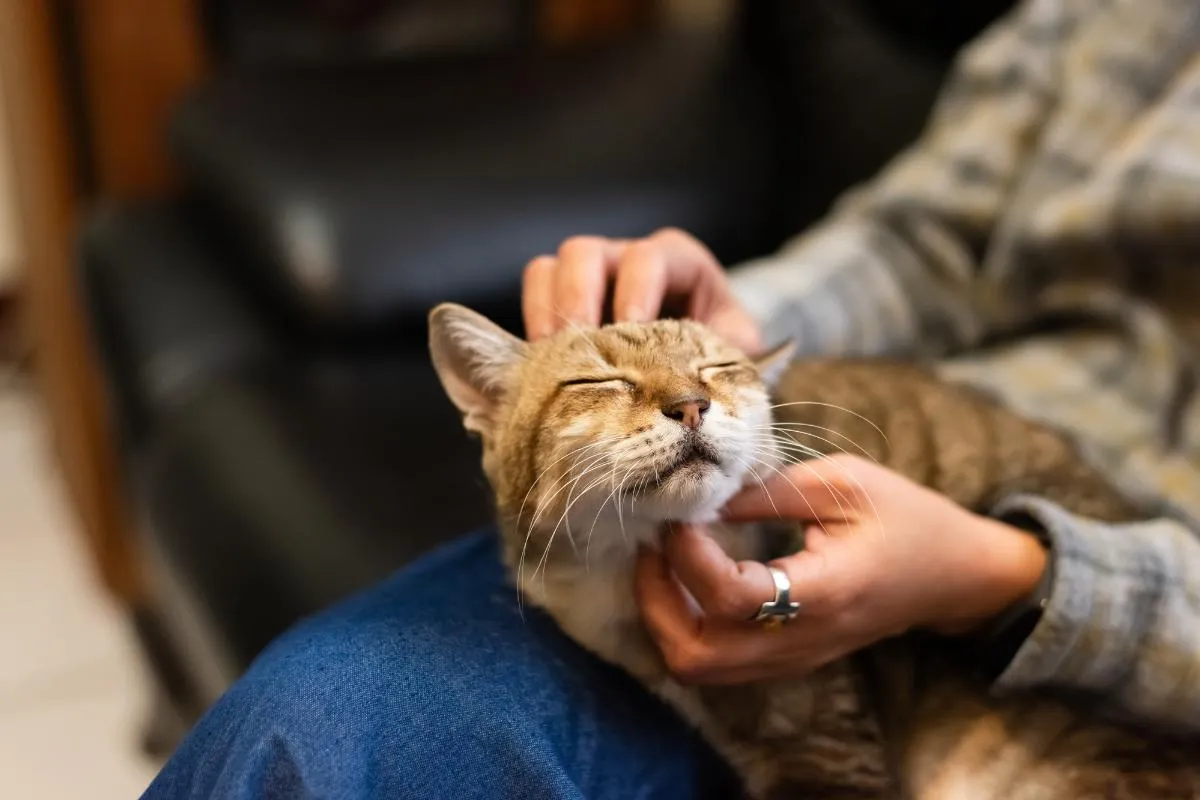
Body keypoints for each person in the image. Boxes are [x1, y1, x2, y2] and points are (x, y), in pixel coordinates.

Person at [143, 1, 1200, 797]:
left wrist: (1006, 574)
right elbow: (916, 244)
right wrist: (719, 331)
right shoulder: (1098, 19)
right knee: (320, 731)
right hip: (809, 479)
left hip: (1112, 633)